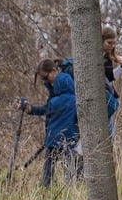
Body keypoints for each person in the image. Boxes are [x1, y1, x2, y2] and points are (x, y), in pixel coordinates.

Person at [19, 59, 81, 187]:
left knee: (48, 168)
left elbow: (47, 110)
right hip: (70, 139)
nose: (46, 82)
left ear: (54, 71)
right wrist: (30, 109)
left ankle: (45, 188)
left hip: (53, 139)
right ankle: (70, 190)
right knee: (68, 169)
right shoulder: (74, 99)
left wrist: (30, 109)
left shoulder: (55, 100)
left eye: (45, 77)